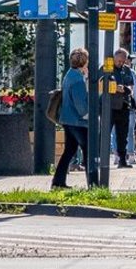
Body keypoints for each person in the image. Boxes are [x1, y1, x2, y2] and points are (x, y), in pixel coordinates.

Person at [51, 48, 89, 189]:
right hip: (78, 122)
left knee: (69, 151)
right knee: (88, 150)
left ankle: (58, 182)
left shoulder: (69, 75)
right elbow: (81, 105)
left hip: (67, 119)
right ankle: (92, 182)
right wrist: (90, 115)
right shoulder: (78, 80)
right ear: (84, 62)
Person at [109, 48, 136, 168]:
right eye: (119, 61)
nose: (121, 63)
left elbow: (130, 87)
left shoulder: (127, 70)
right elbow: (101, 82)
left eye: (123, 61)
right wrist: (115, 87)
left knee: (122, 135)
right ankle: (100, 158)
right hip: (109, 106)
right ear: (114, 58)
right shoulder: (107, 68)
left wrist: (124, 88)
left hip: (124, 105)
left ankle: (122, 160)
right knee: (105, 133)